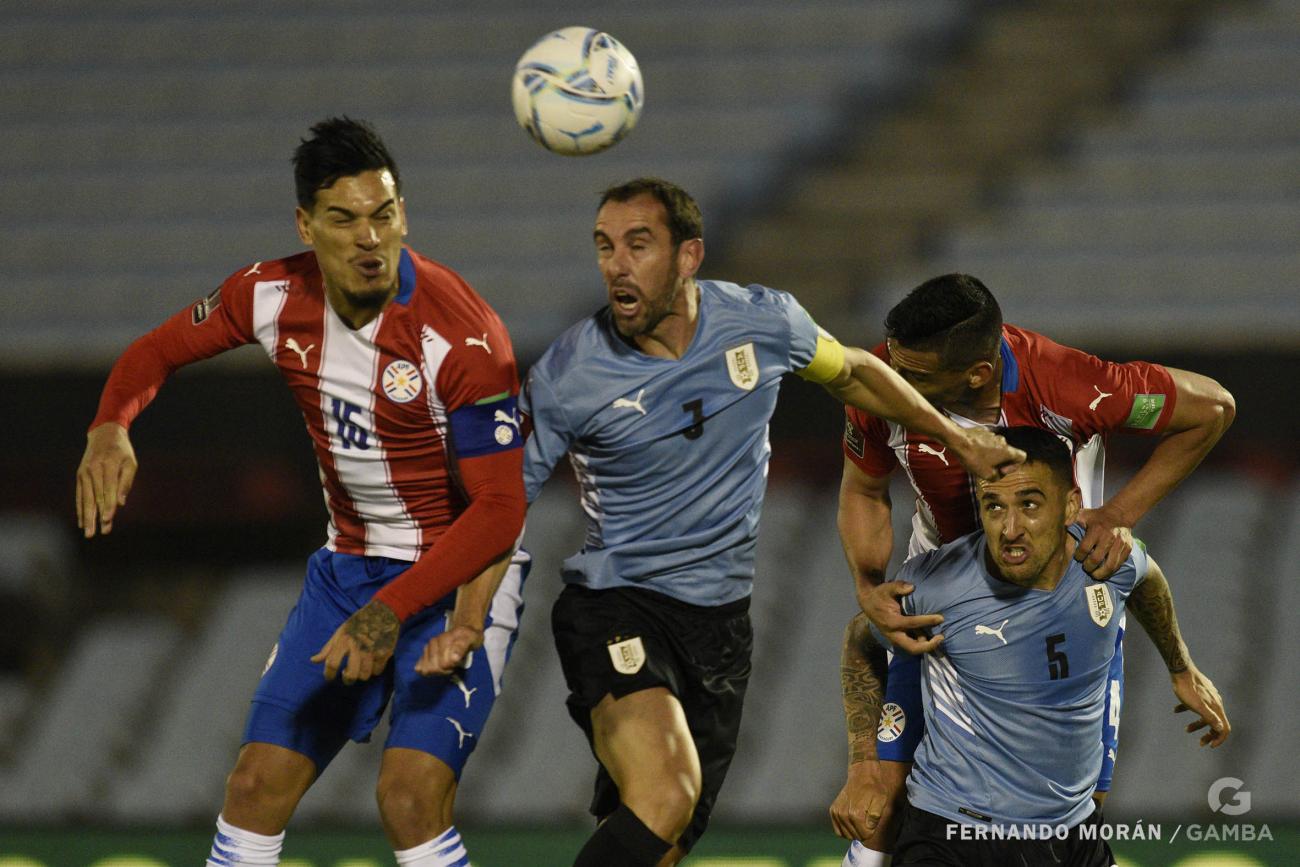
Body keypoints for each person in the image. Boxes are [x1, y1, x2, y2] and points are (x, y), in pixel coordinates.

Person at [515, 177, 1024, 867]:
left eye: (638, 244)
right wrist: (461, 614)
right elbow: (498, 499)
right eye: (605, 246)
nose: (616, 263)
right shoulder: (569, 372)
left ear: (688, 255)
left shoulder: (762, 322)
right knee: (666, 796)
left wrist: (956, 437)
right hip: (617, 603)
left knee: (654, 842)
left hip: (720, 628)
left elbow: (855, 373)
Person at [74, 117, 527, 867]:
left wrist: (392, 612)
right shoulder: (270, 294)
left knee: (409, 798)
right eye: (344, 219)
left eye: (383, 215)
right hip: (346, 571)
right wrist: (109, 425)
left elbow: (502, 510)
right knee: (253, 786)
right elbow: (156, 351)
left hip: (453, 574)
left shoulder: (464, 335)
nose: (368, 238)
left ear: (404, 214)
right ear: (305, 225)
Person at [834, 274, 1234, 863]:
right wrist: (868, 588)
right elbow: (864, 491)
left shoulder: (1071, 387)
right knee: (881, 807)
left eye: (914, 376)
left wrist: (1117, 514)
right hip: (944, 608)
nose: (892, 382)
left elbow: (1215, 409)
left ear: (976, 374)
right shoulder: (878, 385)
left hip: (1064, 603)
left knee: (1077, 804)